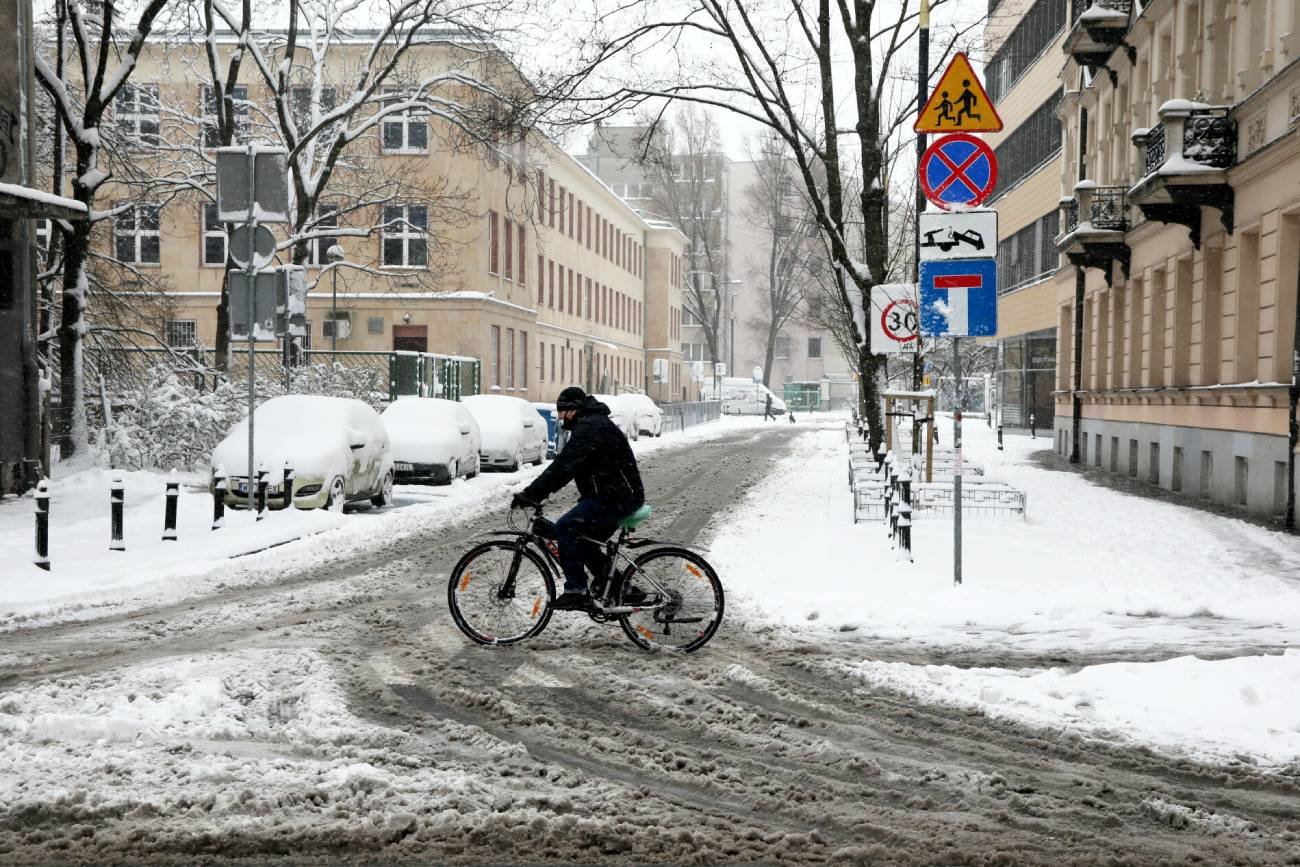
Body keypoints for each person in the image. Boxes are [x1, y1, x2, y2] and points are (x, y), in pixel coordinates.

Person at [511, 386, 645, 611]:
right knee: (582, 541)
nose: (561, 418)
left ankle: (577, 590)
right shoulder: (592, 423)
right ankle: (624, 588)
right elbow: (568, 469)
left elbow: (563, 468)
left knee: (566, 528)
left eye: (563, 412)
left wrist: (532, 494)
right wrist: (538, 492)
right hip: (618, 495)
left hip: (617, 498)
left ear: (574, 409)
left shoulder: (590, 428)